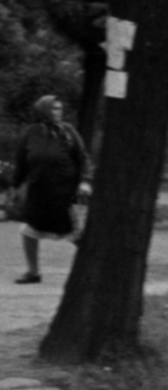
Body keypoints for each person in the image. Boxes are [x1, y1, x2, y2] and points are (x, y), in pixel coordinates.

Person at [10, 94, 90, 284]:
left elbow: (83, 159)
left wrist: (84, 181)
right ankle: (33, 272)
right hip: (39, 195)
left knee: (77, 235)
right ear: (43, 110)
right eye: (54, 108)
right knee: (28, 231)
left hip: (64, 195)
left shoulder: (68, 132)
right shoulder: (31, 133)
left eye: (60, 108)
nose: (58, 112)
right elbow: (21, 163)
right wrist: (15, 185)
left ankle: (97, 271)